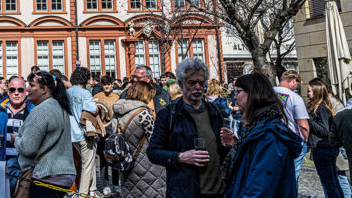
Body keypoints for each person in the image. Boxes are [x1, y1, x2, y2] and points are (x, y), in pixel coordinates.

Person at [147, 58, 227, 198]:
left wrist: (231, 144)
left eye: (201, 83)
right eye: (192, 82)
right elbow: (153, 152)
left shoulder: (214, 111)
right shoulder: (169, 114)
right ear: (181, 84)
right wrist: (180, 157)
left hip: (217, 191)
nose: (197, 87)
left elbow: (221, 150)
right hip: (185, 191)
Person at [220, 73, 303, 197]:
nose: (235, 97)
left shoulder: (269, 135)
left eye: (238, 92)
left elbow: (260, 187)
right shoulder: (258, 128)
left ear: (253, 94)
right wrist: (238, 144)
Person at [15, 71, 76, 198]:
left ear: (44, 89)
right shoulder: (60, 107)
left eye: (32, 85)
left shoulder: (41, 110)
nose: (27, 89)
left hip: (46, 175)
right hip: (64, 175)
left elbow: (28, 148)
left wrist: (15, 139)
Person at [112, 81, 165, 198]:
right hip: (148, 165)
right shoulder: (144, 113)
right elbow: (154, 140)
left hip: (126, 162)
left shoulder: (118, 112)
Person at [306, 78, 344, 198]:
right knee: (333, 182)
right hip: (326, 149)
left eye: (309, 91)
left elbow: (324, 130)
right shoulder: (321, 107)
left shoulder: (320, 108)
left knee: (329, 184)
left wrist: (308, 121)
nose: (307, 93)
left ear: (316, 92)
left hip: (323, 149)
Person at [66, 67, 99, 197]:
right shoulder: (85, 93)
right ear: (85, 78)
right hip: (84, 133)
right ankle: (84, 193)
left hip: (71, 133)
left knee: (87, 163)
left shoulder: (68, 92)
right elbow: (93, 109)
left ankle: (92, 189)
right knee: (87, 165)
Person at [273, 70, 310, 182]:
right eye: (297, 84)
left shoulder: (267, 93)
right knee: (292, 177)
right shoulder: (295, 97)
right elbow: (303, 125)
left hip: (271, 139)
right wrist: (306, 139)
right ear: (294, 81)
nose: (296, 87)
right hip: (292, 140)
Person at [94, 75, 120, 186]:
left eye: (108, 84)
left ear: (112, 85)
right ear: (101, 85)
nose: (106, 87)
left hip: (113, 129)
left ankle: (115, 184)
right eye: (104, 85)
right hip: (101, 129)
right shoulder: (97, 96)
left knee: (115, 158)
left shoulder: (117, 98)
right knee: (103, 158)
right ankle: (105, 184)